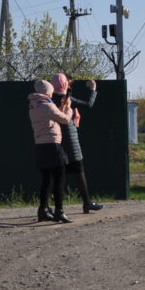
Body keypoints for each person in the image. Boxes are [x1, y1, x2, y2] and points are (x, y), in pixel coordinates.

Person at [51, 73, 103, 214]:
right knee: (78, 170)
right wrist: (93, 89)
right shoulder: (67, 99)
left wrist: (68, 86)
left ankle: (52, 207)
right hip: (70, 138)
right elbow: (89, 104)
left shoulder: (50, 99)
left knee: (56, 174)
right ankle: (87, 203)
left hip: (56, 138)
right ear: (64, 84)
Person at [28, 79, 74, 224]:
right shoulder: (48, 105)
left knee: (46, 180)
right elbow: (65, 120)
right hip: (53, 145)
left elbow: (51, 116)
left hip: (40, 146)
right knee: (59, 179)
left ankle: (43, 210)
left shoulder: (34, 105)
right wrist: (68, 108)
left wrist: (59, 108)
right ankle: (59, 211)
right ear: (47, 92)